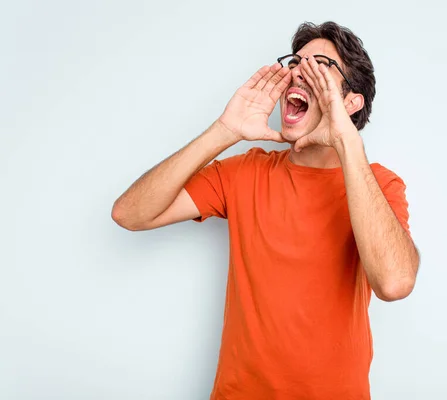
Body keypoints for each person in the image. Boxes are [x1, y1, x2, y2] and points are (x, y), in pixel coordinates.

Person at [112, 21, 420, 400]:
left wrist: (346, 141)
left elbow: (394, 283)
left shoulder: (379, 185)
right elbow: (129, 214)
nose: (298, 73)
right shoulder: (245, 172)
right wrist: (225, 130)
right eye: (296, 63)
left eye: (319, 66)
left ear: (351, 101)